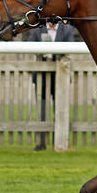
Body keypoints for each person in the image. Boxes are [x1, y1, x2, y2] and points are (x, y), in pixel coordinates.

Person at [28, 20, 76, 150]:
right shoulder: (37, 29)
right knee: (41, 109)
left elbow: (70, 47)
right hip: (41, 75)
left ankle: (58, 140)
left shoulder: (67, 30)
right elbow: (30, 46)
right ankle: (41, 142)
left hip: (60, 75)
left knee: (59, 108)